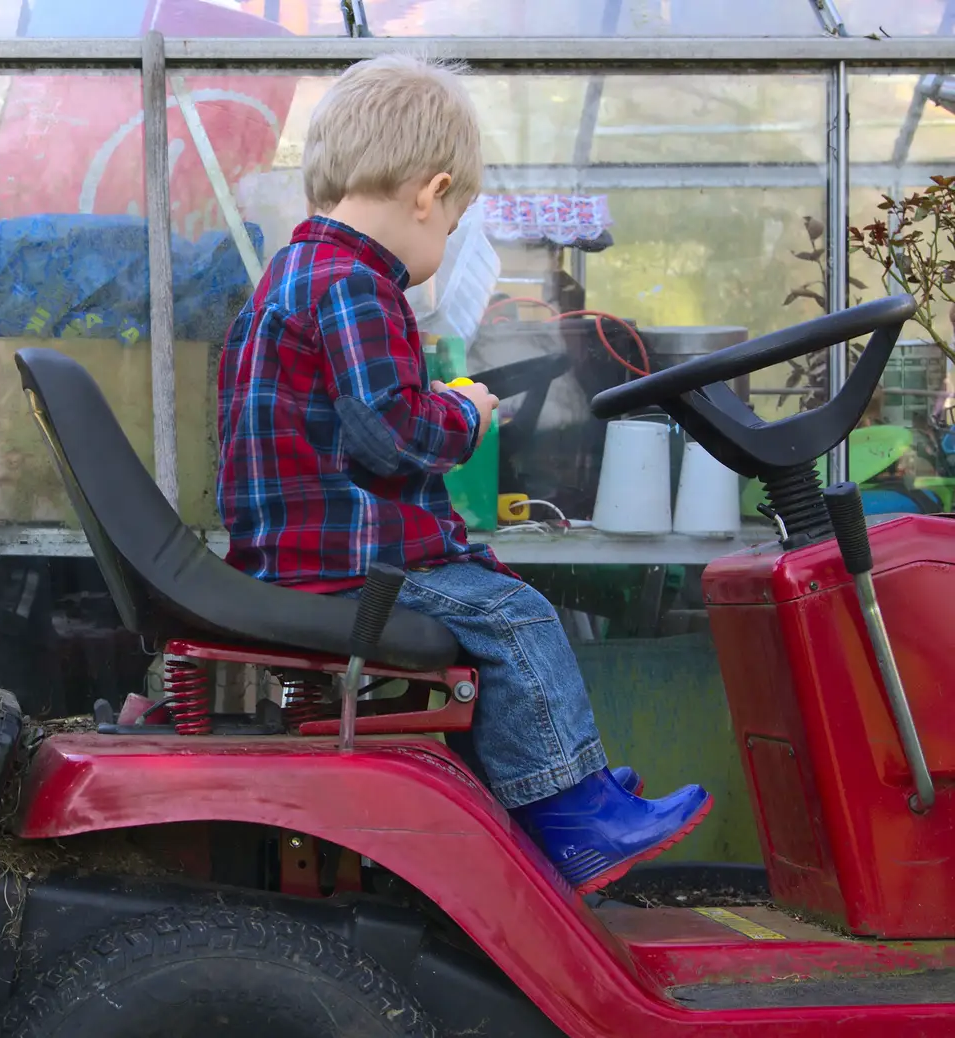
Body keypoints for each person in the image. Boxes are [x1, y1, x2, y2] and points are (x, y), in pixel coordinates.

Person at [214, 54, 711, 895]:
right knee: (515, 616)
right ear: (428, 192)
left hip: (299, 555)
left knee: (494, 606)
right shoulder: (358, 286)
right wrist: (466, 414)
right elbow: (395, 439)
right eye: (453, 226)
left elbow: (354, 422)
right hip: (350, 569)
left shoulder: (292, 275)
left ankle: (550, 791)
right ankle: (571, 810)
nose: (443, 247)